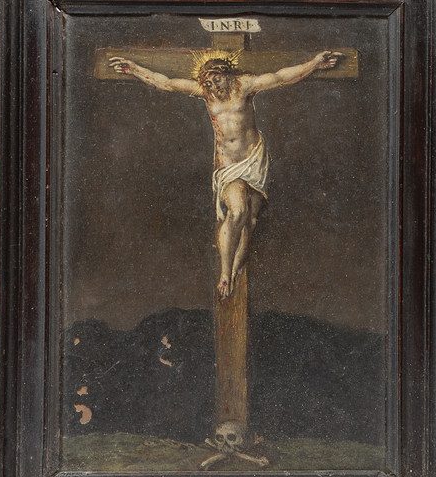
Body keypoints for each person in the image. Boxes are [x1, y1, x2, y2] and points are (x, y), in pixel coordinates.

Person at [108, 50, 342, 298]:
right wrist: (134, 69)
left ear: (227, 74)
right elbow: (166, 82)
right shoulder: (206, 93)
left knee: (250, 221)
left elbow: (281, 77)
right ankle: (225, 273)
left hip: (254, 161)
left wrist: (314, 64)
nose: (213, 86)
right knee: (237, 211)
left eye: (217, 79)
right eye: (208, 83)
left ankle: (237, 266)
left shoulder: (245, 85)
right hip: (229, 166)